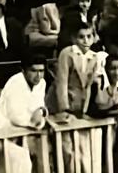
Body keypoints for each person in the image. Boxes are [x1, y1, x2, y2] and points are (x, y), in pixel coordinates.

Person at [46, 23, 106, 173]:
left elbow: (89, 86)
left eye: (89, 36)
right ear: (74, 38)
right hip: (63, 106)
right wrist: (64, 108)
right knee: (67, 151)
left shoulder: (94, 56)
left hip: (79, 107)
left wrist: (85, 109)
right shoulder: (67, 53)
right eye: (81, 37)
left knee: (82, 152)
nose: (85, 40)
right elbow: (62, 82)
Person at [0, 54, 47, 130]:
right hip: (8, 127)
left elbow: (40, 107)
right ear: (23, 70)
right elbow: (14, 117)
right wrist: (34, 120)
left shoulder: (41, 82)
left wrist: (41, 112)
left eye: (41, 71)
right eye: (33, 71)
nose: (38, 75)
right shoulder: (15, 83)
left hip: (31, 127)